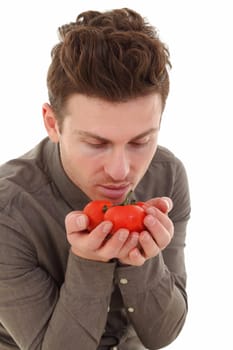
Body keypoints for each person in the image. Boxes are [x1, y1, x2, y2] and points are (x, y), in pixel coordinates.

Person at [0, 8, 191, 350]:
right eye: (96, 143)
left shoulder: (168, 175)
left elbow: (162, 335)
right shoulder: (7, 210)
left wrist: (145, 261)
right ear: (52, 123)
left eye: (140, 141)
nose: (121, 172)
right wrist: (90, 262)